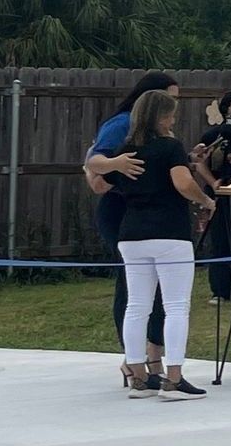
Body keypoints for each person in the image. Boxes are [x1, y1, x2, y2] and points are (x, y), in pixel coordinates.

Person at [91, 91, 215, 399]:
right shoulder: (170, 147)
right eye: (171, 115)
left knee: (137, 305)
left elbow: (100, 179)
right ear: (162, 118)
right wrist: (205, 200)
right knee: (175, 306)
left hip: (131, 234)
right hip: (169, 233)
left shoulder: (125, 152)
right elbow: (183, 183)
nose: (174, 120)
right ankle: (173, 378)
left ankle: (138, 378)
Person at [83, 72, 178, 389]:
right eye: (170, 99)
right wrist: (116, 165)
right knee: (134, 286)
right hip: (122, 210)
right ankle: (133, 359)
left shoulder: (160, 133)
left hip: (152, 213)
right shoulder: (121, 124)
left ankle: (152, 356)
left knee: (160, 288)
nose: (174, 106)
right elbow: (93, 164)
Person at [196, 91, 231, 302]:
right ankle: (220, 290)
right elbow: (199, 162)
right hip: (220, 191)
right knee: (220, 240)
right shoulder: (213, 136)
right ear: (226, 110)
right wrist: (213, 183)